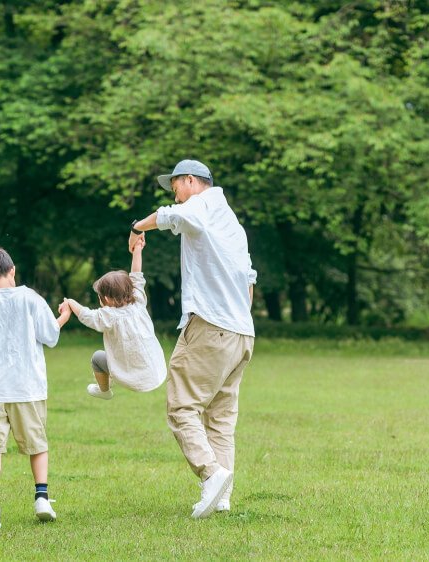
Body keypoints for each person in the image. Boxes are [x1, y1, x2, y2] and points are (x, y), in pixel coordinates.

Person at [128, 160, 256, 519]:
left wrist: (137, 227)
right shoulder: (233, 224)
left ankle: (211, 474)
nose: (174, 195)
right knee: (221, 417)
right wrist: (237, 318)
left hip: (210, 327)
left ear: (189, 181)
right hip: (242, 333)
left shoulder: (202, 203)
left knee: (181, 407)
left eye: (175, 187)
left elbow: (171, 217)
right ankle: (223, 495)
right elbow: (249, 282)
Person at [0, 248, 72, 528]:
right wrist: (64, 315)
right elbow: (50, 336)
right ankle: (41, 497)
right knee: (36, 444)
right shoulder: (31, 298)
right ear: (12, 270)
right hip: (28, 387)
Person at [59, 235, 166, 399]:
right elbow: (137, 275)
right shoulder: (139, 301)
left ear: (106, 299)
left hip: (131, 377)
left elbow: (87, 316)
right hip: (156, 372)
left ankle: (105, 390)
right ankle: (107, 382)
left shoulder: (109, 316)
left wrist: (71, 302)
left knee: (97, 359)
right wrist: (137, 250)